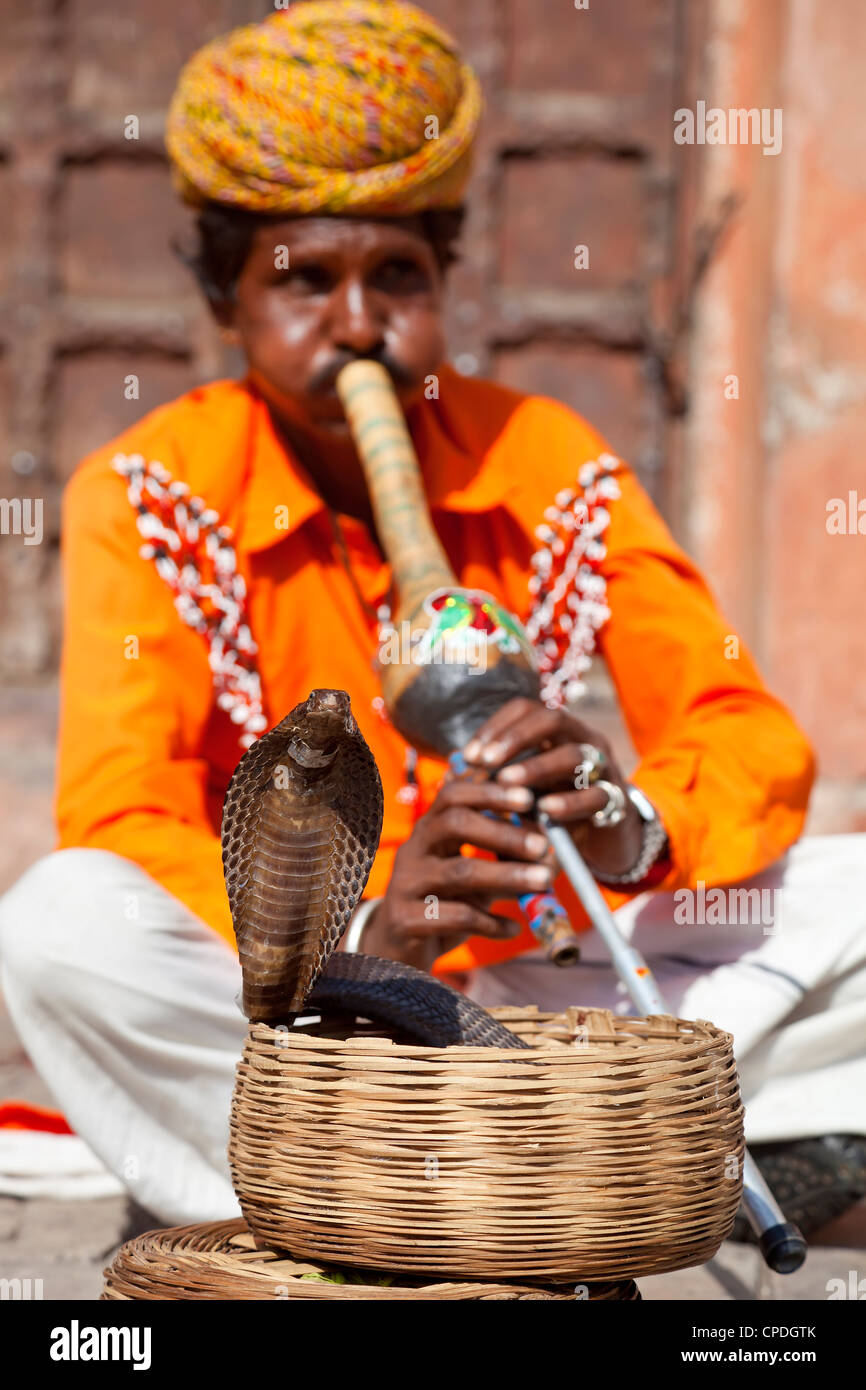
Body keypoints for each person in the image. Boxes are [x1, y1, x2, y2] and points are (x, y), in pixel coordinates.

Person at [0, 0, 863, 1235]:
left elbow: (741, 728)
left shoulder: (546, 457)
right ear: (226, 301)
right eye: (305, 281)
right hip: (321, 1000)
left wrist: (627, 824)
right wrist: (358, 926)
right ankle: (556, 1165)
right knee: (64, 926)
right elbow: (122, 810)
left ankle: (439, 1175)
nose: (357, 324)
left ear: (442, 279)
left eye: (396, 276)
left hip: (536, 974)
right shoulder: (148, 494)